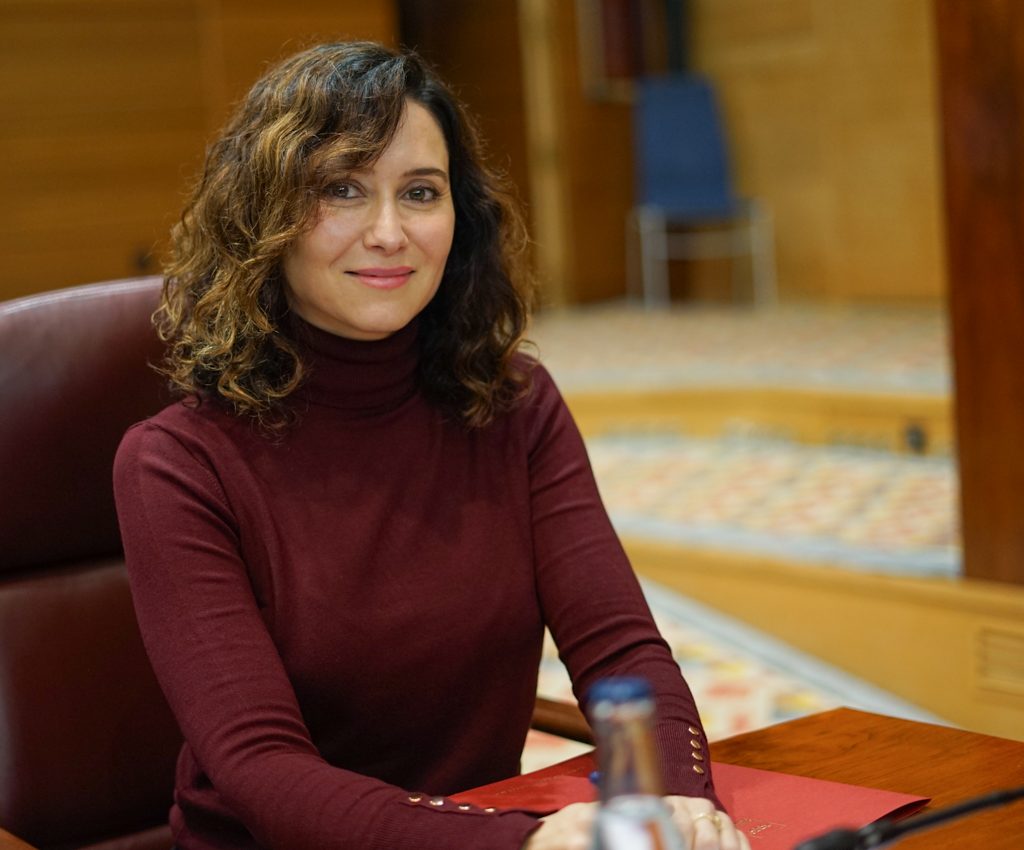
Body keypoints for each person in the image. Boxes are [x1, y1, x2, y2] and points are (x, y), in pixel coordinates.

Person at [113, 41, 749, 850]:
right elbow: (261, 769)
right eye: (341, 189)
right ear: (262, 219)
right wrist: (524, 843)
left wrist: (681, 804)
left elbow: (623, 656)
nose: (389, 233)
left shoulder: (514, 404)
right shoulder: (178, 462)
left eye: (420, 192)